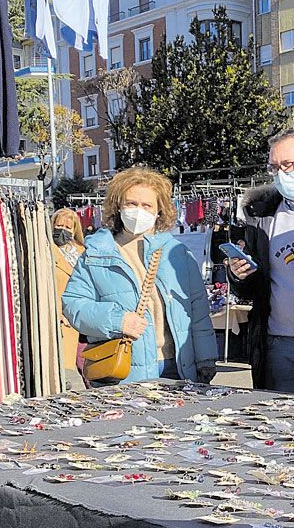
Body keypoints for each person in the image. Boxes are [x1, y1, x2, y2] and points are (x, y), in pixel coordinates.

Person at [62, 167, 218, 383]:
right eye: (131, 204)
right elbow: (73, 304)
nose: (138, 211)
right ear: (118, 207)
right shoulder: (95, 254)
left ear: (159, 211)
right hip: (123, 371)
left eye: (147, 205)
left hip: (178, 366)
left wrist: (206, 358)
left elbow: (197, 309)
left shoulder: (177, 253)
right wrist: (117, 320)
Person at [229, 130, 294, 394]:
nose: (281, 174)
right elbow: (250, 289)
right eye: (275, 167)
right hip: (278, 344)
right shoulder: (261, 216)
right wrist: (238, 275)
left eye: (287, 165)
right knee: (282, 423)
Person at [51, 208, 87, 390]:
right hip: (63, 320)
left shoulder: (83, 252)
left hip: (84, 319)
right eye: (58, 225)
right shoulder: (46, 251)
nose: (62, 230)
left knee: (87, 367)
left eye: (67, 226)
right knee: (70, 376)